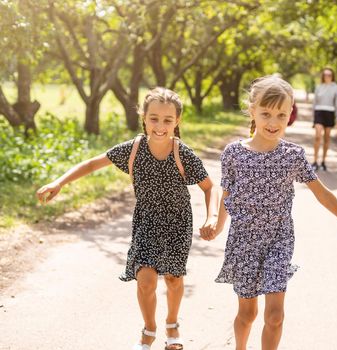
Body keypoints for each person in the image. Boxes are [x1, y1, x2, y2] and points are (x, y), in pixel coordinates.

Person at [36, 87, 218, 350]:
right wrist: (59, 181)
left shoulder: (182, 153)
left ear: (177, 121)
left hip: (178, 222)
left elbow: (209, 187)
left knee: (173, 279)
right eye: (154, 118)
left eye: (168, 120)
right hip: (145, 221)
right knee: (145, 279)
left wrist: (211, 217)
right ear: (144, 117)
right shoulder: (132, 149)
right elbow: (92, 164)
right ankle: (149, 328)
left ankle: (172, 323)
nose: (160, 125)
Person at [204, 76, 337, 350]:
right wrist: (216, 224)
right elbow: (227, 194)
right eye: (266, 114)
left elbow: (322, 193)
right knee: (247, 314)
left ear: (290, 114)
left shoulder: (292, 155)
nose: (273, 122)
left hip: (278, 241)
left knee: (275, 316)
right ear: (252, 110)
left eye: (281, 115)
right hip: (243, 240)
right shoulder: (233, 153)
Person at [312, 67, 337, 171]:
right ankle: (315, 161)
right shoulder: (319, 87)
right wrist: (313, 118)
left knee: (327, 139)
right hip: (319, 112)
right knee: (317, 136)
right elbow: (314, 103)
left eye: (329, 75)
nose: (327, 77)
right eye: (325, 75)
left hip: (330, 113)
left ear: (332, 76)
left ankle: (323, 162)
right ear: (323, 76)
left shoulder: (335, 87)